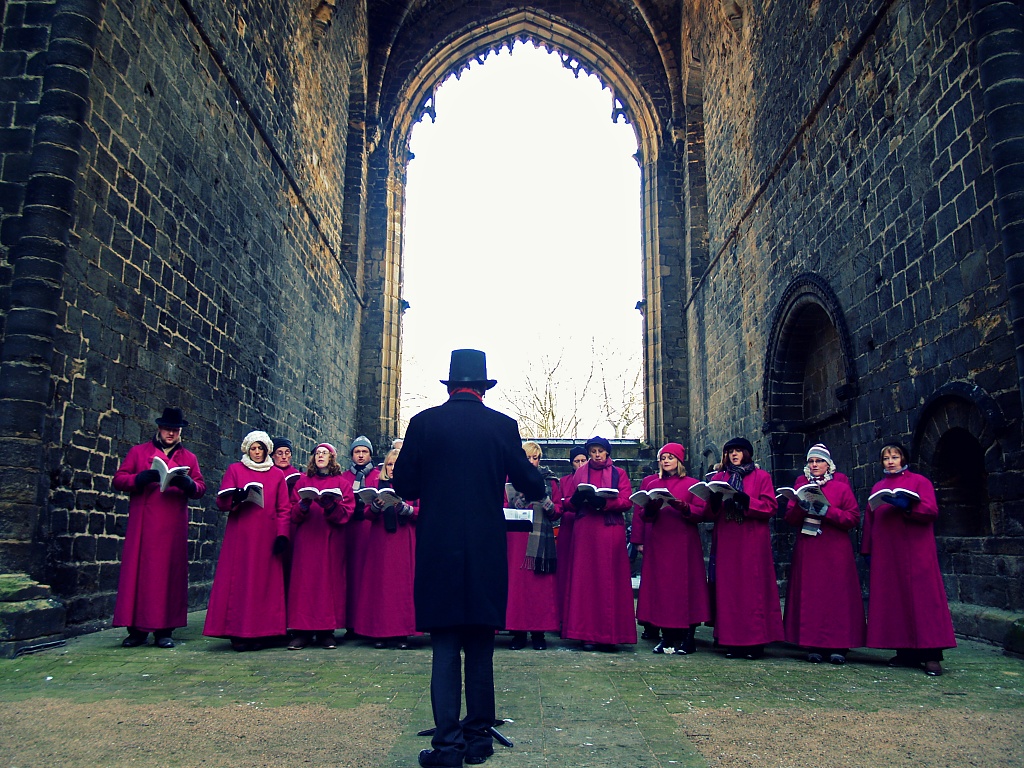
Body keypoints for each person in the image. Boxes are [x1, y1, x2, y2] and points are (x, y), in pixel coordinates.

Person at [392, 349, 545, 768]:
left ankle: (447, 748)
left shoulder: (424, 423)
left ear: (451, 385)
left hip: (438, 547)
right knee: (480, 645)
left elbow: (403, 483)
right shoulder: (502, 426)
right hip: (485, 549)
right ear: (482, 387)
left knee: (444, 647)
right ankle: (478, 739)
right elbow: (533, 485)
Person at [111, 407, 206, 648]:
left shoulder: (188, 458)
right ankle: (136, 629)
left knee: (169, 576)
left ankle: (165, 629)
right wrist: (138, 479)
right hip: (144, 523)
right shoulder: (139, 452)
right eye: (167, 429)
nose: (171, 434)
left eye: (175, 430)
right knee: (139, 574)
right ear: (159, 429)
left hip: (172, 525)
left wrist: (188, 485)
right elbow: (119, 479)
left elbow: (200, 487)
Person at [862, 440, 956, 676]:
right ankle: (905, 651)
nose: (890, 461)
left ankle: (931, 655)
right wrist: (867, 549)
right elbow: (870, 519)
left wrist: (907, 507)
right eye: (886, 458)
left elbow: (931, 511)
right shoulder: (877, 487)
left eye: (894, 457)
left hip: (915, 552)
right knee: (894, 600)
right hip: (887, 554)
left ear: (903, 458)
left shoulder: (919, 482)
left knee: (924, 601)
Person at [203, 430, 291, 651]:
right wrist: (237, 497)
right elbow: (222, 502)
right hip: (241, 536)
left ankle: (263, 631)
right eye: (254, 448)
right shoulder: (235, 470)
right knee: (240, 582)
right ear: (247, 450)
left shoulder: (276, 475)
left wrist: (282, 534)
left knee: (264, 584)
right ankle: (238, 632)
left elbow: (283, 508)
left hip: (267, 536)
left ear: (266, 450)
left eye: (261, 448)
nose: (257, 452)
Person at [781, 443, 865, 664]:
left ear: (828, 464)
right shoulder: (802, 486)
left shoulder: (841, 488)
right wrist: (801, 506)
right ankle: (814, 643)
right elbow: (789, 518)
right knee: (812, 595)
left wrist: (827, 511)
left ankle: (839, 644)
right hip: (809, 548)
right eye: (811, 461)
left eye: (819, 461)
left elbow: (853, 518)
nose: (815, 465)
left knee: (836, 596)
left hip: (834, 549)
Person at [706, 437, 783, 659]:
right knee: (729, 591)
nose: (734, 455)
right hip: (728, 537)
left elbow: (770, 506)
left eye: (738, 451)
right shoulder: (720, 477)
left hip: (751, 539)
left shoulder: (761, 476)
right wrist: (713, 501)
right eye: (730, 451)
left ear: (747, 453)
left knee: (752, 590)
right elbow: (709, 514)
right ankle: (732, 640)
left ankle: (755, 642)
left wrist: (745, 499)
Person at [560, 435, 637, 652]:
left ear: (607, 453)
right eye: (593, 451)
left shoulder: (618, 473)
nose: (596, 455)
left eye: (600, 451)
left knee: (608, 580)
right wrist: (575, 501)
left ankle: (610, 633)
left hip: (608, 529)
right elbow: (568, 501)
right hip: (585, 530)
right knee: (585, 581)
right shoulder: (580, 473)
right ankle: (586, 633)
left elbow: (626, 500)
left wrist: (604, 502)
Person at [633, 442, 710, 655]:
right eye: (663, 457)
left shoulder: (692, 484)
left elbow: (701, 513)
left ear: (679, 460)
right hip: (660, 541)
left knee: (687, 587)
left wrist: (685, 507)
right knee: (663, 589)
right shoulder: (652, 484)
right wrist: (651, 507)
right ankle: (667, 635)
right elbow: (644, 516)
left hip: (684, 543)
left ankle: (688, 636)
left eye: (670, 457)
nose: (666, 461)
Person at [286, 442, 355, 650]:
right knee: (305, 584)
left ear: (332, 458)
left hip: (330, 541)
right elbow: (292, 513)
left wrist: (328, 504)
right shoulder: (302, 482)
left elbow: (346, 514)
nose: (320, 456)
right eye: (317, 453)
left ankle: (326, 631)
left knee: (328, 584)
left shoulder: (341, 484)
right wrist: (303, 505)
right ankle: (302, 632)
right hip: (307, 540)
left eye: (325, 453)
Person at [350, 447, 419, 649]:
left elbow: (422, 510)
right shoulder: (376, 484)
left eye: (396, 465)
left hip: (402, 540)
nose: (392, 468)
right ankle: (378, 631)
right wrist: (375, 507)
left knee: (401, 587)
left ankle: (401, 633)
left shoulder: (413, 486)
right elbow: (367, 515)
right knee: (379, 587)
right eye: (389, 464)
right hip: (380, 541)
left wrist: (406, 509)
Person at [504, 441, 561, 651]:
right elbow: (500, 506)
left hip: (540, 541)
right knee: (517, 589)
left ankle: (539, 634)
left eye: (535, 458)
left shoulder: (550, 480)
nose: (532, 461)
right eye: (528, 457)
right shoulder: (508, 481)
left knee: (540, 588)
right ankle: (517, 633)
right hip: (516, 540)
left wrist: (544, 500)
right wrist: (520, 499)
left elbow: (557, 511)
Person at [341, 435, 380, 638]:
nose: (361, 455)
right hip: (350, 531)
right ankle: (351, 623)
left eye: (364, 452)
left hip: (368, 530)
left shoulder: (377, 475)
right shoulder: (344, 477)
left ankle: (369, 621)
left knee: (368, 574)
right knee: (352, 574)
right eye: (357, 452)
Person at [555, 444, 588, 634]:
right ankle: (562, 616)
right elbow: (561, 502)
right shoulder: (564, 481)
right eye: (577, 461)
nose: (581, 464)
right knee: (566, 569)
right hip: (569, 525)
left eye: (584, 460)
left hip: (586, 523)